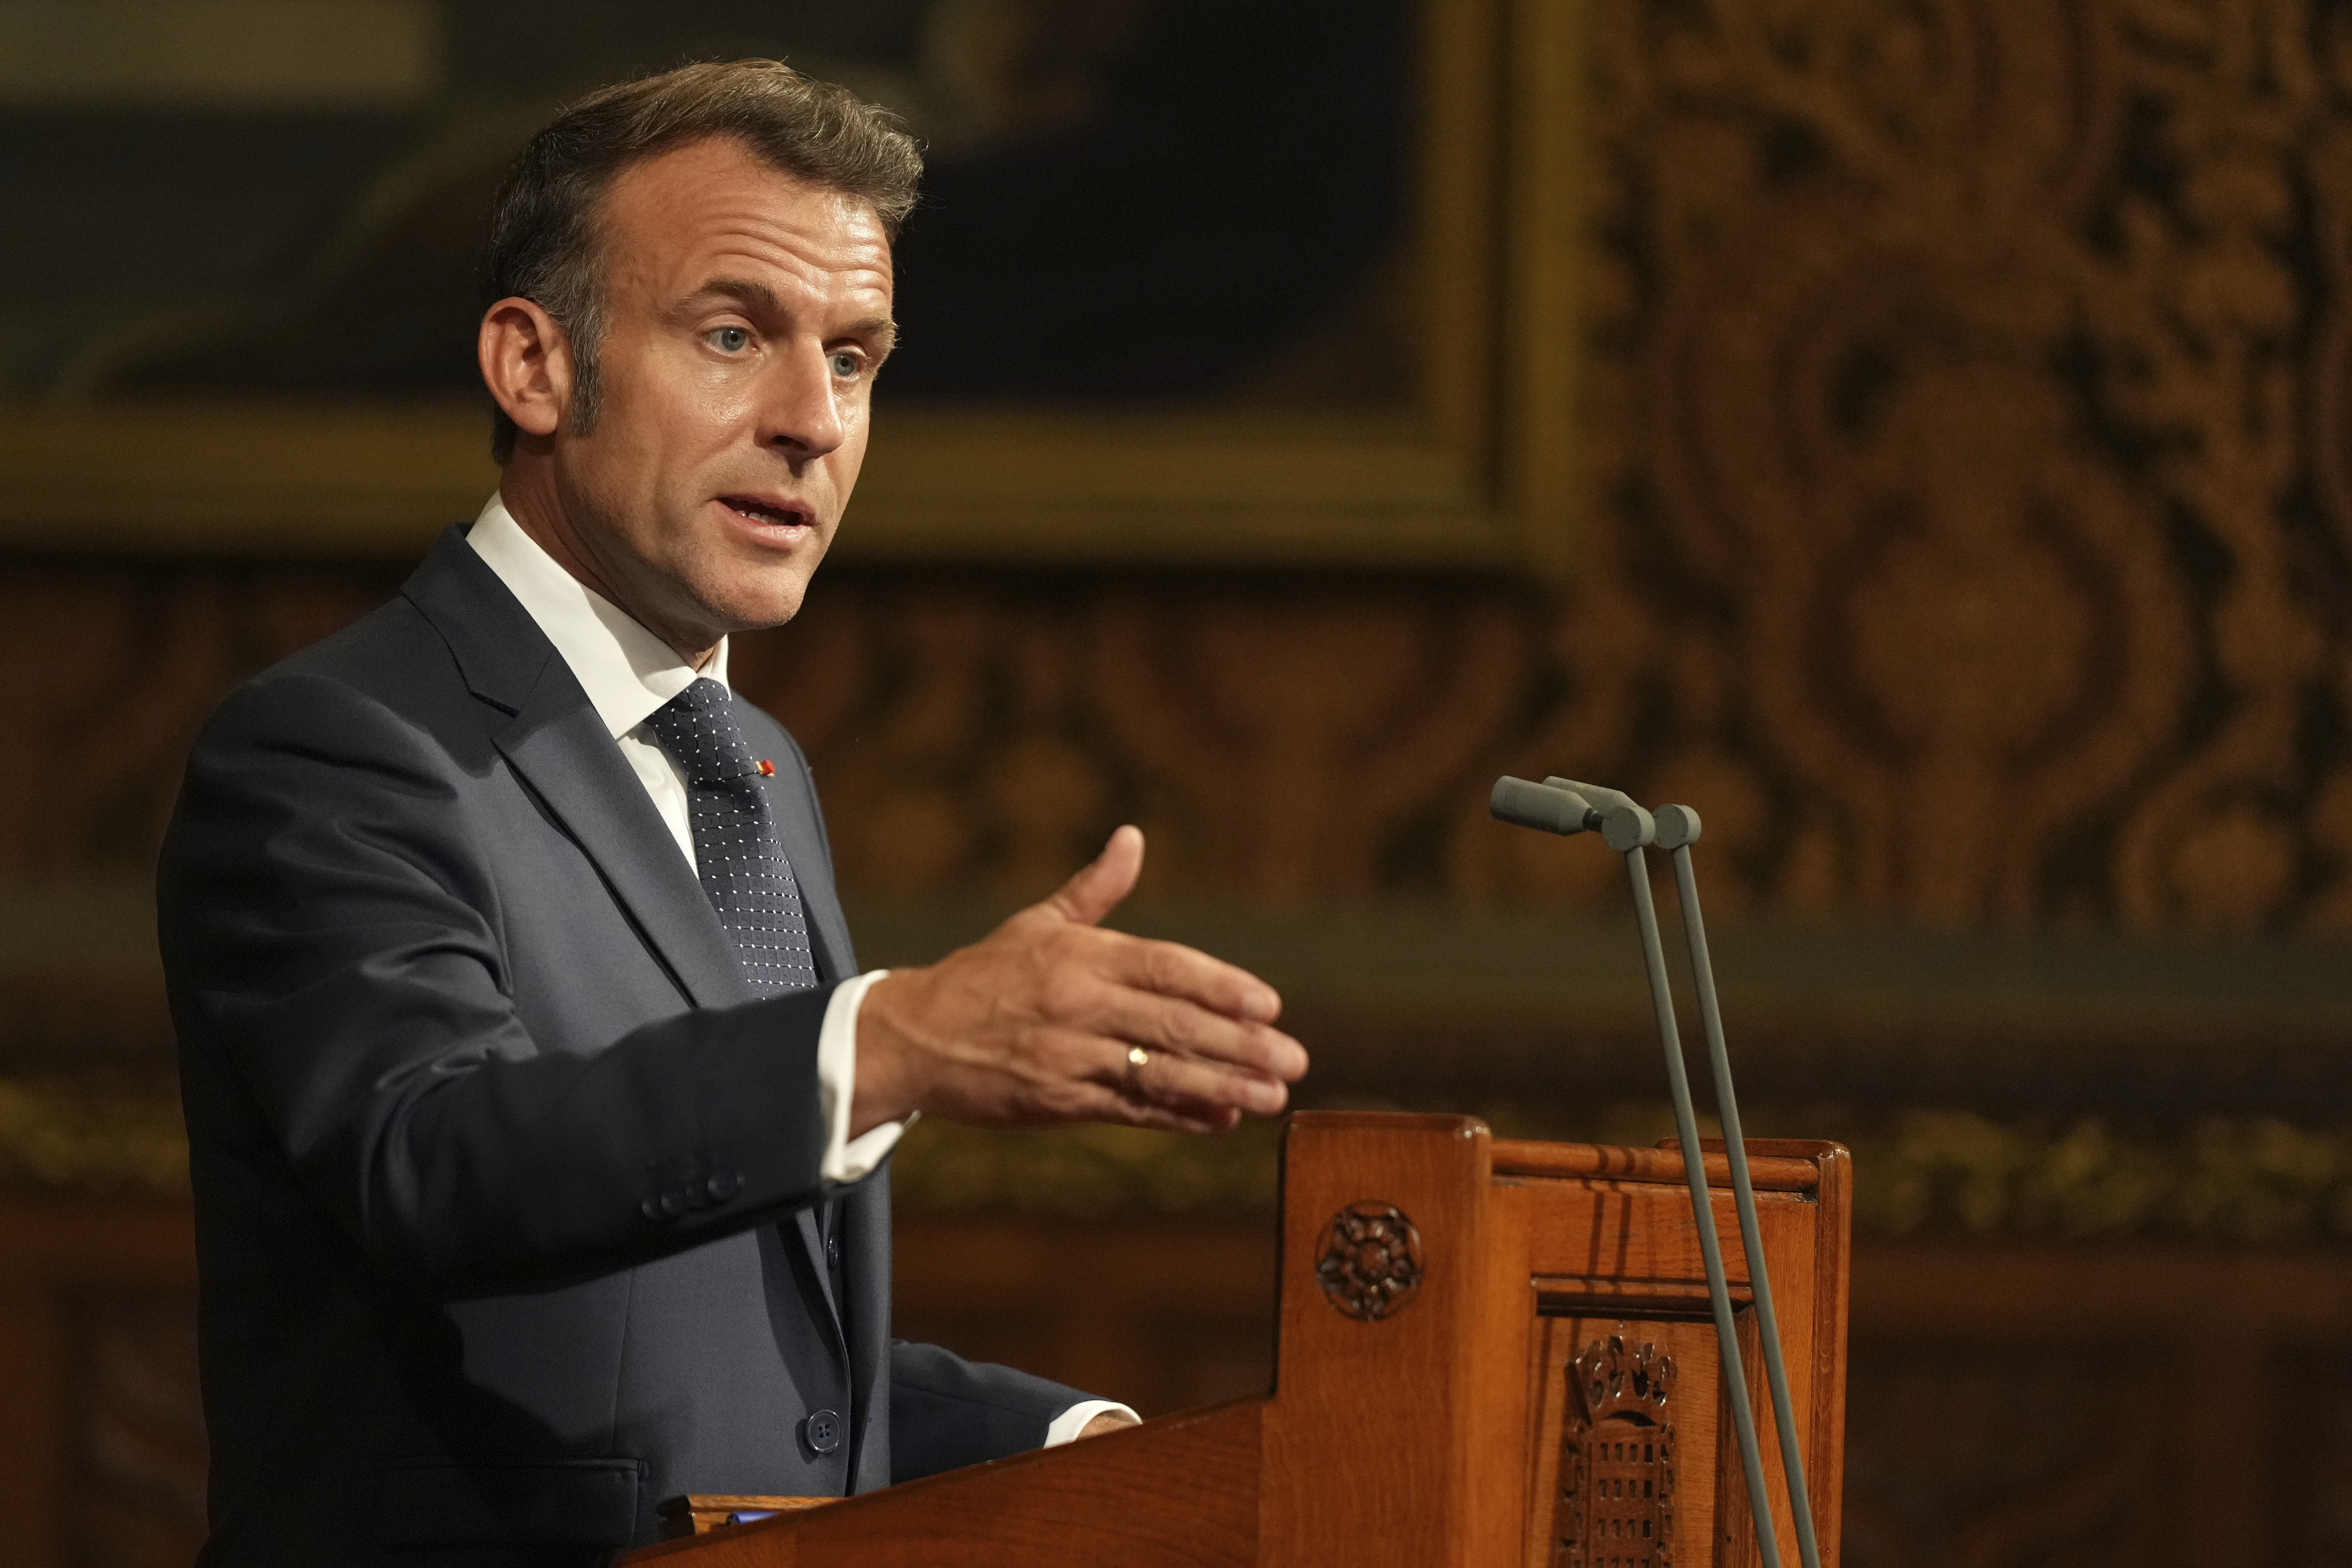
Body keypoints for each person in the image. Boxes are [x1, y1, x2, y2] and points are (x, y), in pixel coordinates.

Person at [157, 59, 1308, 1566]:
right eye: (730, 335)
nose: (812, 423)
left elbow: (711, 1368)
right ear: (532, 367)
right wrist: (892, 1039)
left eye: (853, 357)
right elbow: (440, 1163)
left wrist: (1070, 1447)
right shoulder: (340, 749)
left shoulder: (746, 765)